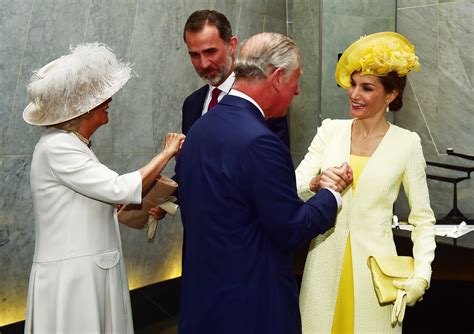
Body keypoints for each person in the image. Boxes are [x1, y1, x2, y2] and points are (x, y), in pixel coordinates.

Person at [175, 32, 353, 334]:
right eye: (296, 79)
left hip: (202, 301)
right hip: (252, 306)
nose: (297, 91)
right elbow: (292, 229)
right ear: (278, 77)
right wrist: (331, 194)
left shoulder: (201, 129)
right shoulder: (261, 142)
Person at [23, 43, 185, 333]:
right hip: (74, 281)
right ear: (82, 111)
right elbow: (119, 188)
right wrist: (167, 152)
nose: (108, 100)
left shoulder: (70, 145)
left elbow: (95, 195)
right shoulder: (58, 147)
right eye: (100, 99)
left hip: (84, 274)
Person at [296, 32, 436, 333]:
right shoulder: (330, 131)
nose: (354, 94)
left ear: (391, 94)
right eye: (353, 85)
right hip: (323, 269)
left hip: (377, 279)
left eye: (367, 88)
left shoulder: (407, 144)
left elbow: (423, 220)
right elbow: (293, 186)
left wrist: (421, 275)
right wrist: (318, 182)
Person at [182, 9, 290, 147]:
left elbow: (274, 162)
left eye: (210, 52)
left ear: (232, 46)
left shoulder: (264, 99)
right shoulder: (191, 104)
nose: (204, 64)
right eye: (195, 55)